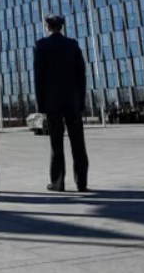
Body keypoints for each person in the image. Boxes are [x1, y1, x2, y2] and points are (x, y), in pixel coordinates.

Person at [34, 14, 89, 192]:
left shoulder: (41, 45)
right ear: (61, 27)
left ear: (48, 27)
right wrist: (80, 100)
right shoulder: (72, 45)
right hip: (72, 100)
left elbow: (38, 77)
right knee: (78, 142)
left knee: (56, 142)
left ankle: (58, 182)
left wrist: (40, 104)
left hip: (52, 102)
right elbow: (81, 75)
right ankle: (82, 182)